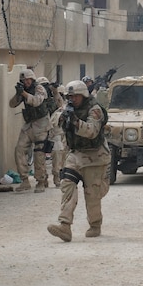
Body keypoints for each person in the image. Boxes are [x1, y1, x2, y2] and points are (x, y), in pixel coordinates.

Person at [47, 80, 111, 242]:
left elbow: (92, 131)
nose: (72, 99)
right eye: (70, 97)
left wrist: (76, 122)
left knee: (92, 196)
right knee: (67, 184)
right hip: (76, 155)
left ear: (83, 96)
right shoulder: (68, 107)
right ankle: (65, 225)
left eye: (75, 96)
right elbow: (53, 121)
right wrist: (63, 117)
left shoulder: (95, 110)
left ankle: (95, 224)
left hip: (95, 157)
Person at [9, 69, 52, 193]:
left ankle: (40, 181)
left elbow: (36, 101)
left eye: (28, 80)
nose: (26, 82)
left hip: (41, 124)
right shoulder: (24, 91)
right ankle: (24, 180)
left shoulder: (39, 88)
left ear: (32, 80)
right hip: (29, 125)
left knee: (39, 152)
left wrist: (24, 94)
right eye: (24, 80)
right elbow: (12, 104)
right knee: (19, 149)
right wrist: (18, 94)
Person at [48, 85, 68, 188]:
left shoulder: (63, 108)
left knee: (60, 156)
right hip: (50, 134)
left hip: (59, 135)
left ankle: (59, 178)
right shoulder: (48, 103)